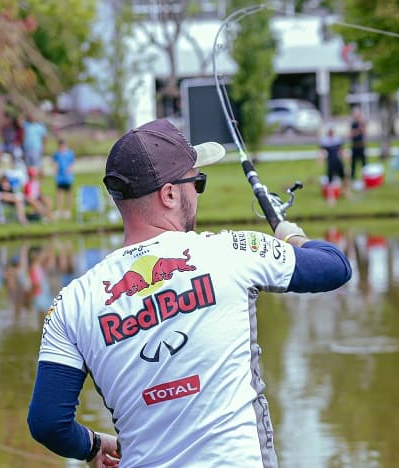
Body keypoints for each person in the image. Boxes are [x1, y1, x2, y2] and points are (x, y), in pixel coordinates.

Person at [27, 119, 352, 467]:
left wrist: (93, 446)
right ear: (168, 194)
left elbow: (48, 423)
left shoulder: (71, 302)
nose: (198, 193)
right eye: (198, 182)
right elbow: (334, 266)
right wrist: (291, 236)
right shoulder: (232, 251)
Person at [318, 126, 347, 205]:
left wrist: (346, 157)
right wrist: (320, 159)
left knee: (344, 177)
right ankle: (331, 197)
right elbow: (321, 151)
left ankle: (345, 192)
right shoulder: (325, 141)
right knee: (330, 180)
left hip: (338, 161)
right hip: (330, 162)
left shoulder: (337, 139)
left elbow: (341, 150)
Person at [52, 138, 76, 219]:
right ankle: (59, 210)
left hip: (67, 177)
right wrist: (55, 169)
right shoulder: (57, 154)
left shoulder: (70, 153)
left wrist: (69, 169)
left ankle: (68, 210)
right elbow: (54, 162)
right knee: (59, 193)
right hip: (60, 177)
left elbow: (72, 163)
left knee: (68, 193)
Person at [349, 106, 367, 182]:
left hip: (361, 146)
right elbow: (351, 134)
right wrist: (357, 131)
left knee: (364, 164)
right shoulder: (353, 124)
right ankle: (352, 178)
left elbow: (365, 132)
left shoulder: (362, 124)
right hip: (355, 146)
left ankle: (365, 177)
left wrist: (361, 128)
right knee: (353, 164)